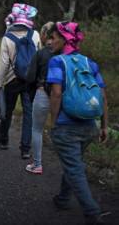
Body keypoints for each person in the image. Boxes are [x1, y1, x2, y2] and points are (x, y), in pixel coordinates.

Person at [47, 22, 109, 224]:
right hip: (89, 126)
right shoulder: (90, 63)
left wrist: (53, 121)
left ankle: (92, 212)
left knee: (74, 168)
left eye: (53, 37)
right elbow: (102, 95)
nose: (49, 41)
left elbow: (56, 93)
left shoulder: (57, 62)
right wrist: (104, 126)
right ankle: (64, 198)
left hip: (67, 127)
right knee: (73, 163)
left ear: (64, 40)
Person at [0, 0, 41, 159]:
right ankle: (26, 149)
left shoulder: (7, 37)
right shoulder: (35, 35)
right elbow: (38, 58)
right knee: (29, 113)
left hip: (11, 79)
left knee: (7, 110)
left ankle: (4, 139)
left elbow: (3, 64)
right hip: (30, 80)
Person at [25, 22, 54, 174]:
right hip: (60, 96)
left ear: (44, 35)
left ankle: (37, 164)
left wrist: (31, 93)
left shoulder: (40, 53)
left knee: (37, 129)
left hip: (42, 93)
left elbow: (30, 77)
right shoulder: (63, 54)